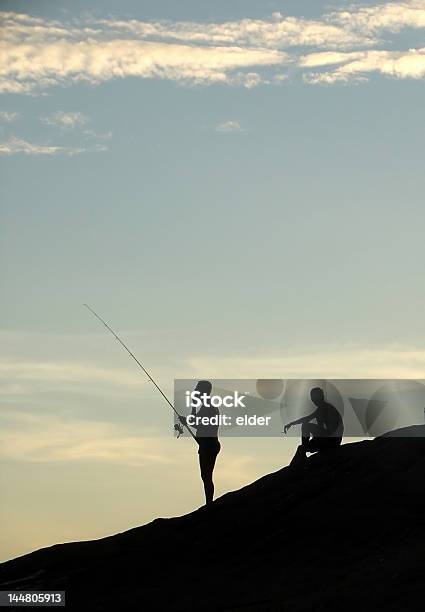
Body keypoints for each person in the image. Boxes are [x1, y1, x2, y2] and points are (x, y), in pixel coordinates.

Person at [180, 380, 221, 505]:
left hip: (208, 445)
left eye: (197, 389)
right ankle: (209, 503)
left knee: (206, 476)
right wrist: (193, 407)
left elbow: (197, 424)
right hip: (208, 444)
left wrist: (187, 420)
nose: (195, 391)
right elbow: (196, 422)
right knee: (206, 476)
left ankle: (209, 504)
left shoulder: (208, 407)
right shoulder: (205, 406)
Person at [284, 387, 343, 466]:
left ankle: (304, 451)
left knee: (306, 427)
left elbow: (307, 420)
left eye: (314, 397)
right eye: (312, 398)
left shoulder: (324, 407)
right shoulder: (322, 408)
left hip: (331, 441)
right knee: (301, 448)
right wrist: (292, 423)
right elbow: (308, 418)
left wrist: (291, 424)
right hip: (329, 440)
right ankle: (303, 452)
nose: (313, 400)